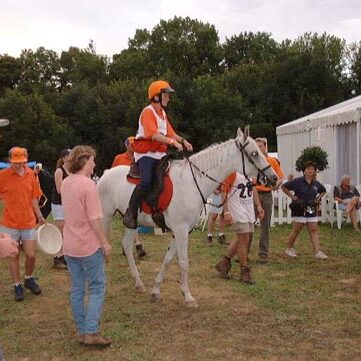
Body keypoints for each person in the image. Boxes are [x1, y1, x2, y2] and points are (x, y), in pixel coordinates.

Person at [123, 80, 193, 229]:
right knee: (147, 180)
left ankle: (163, 210)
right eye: (166, 95)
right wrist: (172, 143)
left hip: (159, 154)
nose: (168, 98)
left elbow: (171, 133)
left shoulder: (162, 113)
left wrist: (183, 141)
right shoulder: (148, 112)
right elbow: (154, 135)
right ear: (156, 97)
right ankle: (131, 212)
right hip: (146, 155)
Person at [61, 145, 112, 347]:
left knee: (77, 289)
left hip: (70, 245)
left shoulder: (66, 183)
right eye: (92, 160)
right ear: (83, 161)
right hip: (88, 246)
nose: (94, 163)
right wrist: (105, 243)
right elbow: (94, 219)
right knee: (97, 286)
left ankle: (83, 331)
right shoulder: (88, 185)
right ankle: (91, 331)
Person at [0, 147, 45, 301]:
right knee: (13, 256)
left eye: (21, 162)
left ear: (25, 161)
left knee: (31, 255)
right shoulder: (2, 175)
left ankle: (28, 278)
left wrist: (40, 216)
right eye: (15, 163)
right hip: (9, 224)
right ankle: (17, 285)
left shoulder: (31, 174)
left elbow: (33, 198)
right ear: (10, 161)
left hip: (28, 222)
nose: (18, 165)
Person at [215, 173, 264, 284]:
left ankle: (224, 263)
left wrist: (258, 205)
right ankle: (244, 271)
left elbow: (254, 189)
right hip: (237, 209)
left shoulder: (250, 172)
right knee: (243, 238)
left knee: (243, 238)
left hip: (248, 209)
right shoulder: (234, 172)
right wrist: (226, 211)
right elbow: (224, 191)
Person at [282, 162, 328, 260]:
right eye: (308, 168)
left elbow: (323, 190)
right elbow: (284, 187)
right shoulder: (297, 181)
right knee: (297, 230)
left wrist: (318, 198)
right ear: (304, 170)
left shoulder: (316, 183)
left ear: (315, 171)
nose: (310, 171)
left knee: (314, 230)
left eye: (312, 169)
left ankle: (317, 252)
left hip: (311, 208)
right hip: (300, 208)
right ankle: (289, 249)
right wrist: (292, 196)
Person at [112, 137, 147, 257]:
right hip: (120, 195)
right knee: (131, 218)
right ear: (126, 145)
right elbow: (112, 175)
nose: (134, 146)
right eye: (132, 144)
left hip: (134, 193)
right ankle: (138, 244)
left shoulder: (140, 158)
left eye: (135, 144)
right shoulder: (119, 158)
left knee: (130, 220)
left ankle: (126, 245)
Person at [253, 137, 284, 263]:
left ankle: (263, 254)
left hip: (266, 195)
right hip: (254, 195)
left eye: (260, 146)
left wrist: (277, 184)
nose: (258, 148)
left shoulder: (272, 161)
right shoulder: (253, 162)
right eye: (256, 146)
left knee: (265, 226)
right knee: (249, 224)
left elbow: (280, 177)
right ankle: (244, 252)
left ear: (265, 147)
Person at [51, 149, 71, 269]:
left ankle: (64, 254)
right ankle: (57, 256)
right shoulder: (59, 171)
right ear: (63, 158)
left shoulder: (73, 170)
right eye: (70, 155)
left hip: (68, 203)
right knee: (60, 231)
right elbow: (59, 190)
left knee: (67, 230)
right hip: (59, 203)